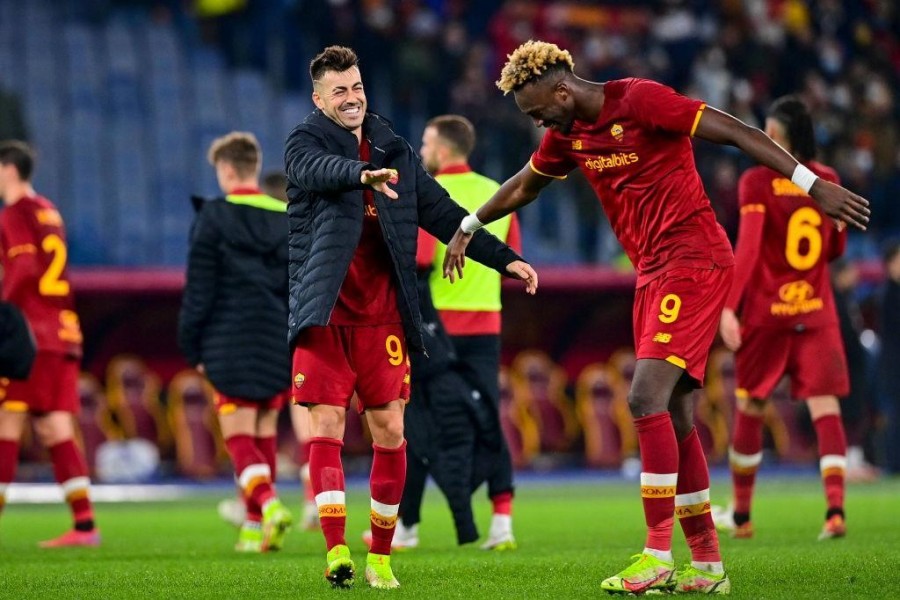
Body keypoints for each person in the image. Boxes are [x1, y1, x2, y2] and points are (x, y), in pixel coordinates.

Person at [442, 41, 869, 595]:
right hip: (652, 271)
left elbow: (737, 131)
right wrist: (470, 225)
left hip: (695, 258)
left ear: (563, 90)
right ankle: (710, 567)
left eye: (538, 110)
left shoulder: (641, 100)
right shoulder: (566, 136)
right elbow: (526, 184)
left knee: (644, 397)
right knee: (678, 414)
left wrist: (812, 185)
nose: (537, 122)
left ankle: (656, 555)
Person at [284, 45, 537, 589]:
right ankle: (335, 550)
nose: (351, 99)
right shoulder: (304, 142)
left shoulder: (395, 148)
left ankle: (380, 556)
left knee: (392, 430)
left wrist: (505, 258)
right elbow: (317, 171)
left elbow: (444, 213)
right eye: (339, 92)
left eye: (356, 88)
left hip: (382, 318)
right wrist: (361, 175)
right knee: (325, 424)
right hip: (324, 313)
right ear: (319, 99)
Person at [712, 96, 852, 542]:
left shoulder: (756, 180)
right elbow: (834, 251)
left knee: (752, 405)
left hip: (768, 314)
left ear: (778, 136)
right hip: (816, 311)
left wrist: (729, 307)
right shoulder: (828, 180)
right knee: (826, 408)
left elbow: (749, 250)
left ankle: (742, 516)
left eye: (768, 131)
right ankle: (834, 512)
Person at [178, 132, 293, 553]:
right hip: (277, 336)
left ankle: (268, 505)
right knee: (263, 429)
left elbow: (199, 289)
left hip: (228, 337)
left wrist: (192, 345)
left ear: (226, 170)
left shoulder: (213, 216)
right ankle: (252, 528)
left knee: (238, 435)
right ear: (254, 166)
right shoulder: (286, 216)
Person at [414, 114, 521, 550]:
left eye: (425, 144)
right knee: (487, 419)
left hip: (439, 329)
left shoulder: (431, 195)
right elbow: (511, 258)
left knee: (417, 421)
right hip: (486, 325)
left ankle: (405, 526)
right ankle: (502, 522)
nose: (421, 152)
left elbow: (420, 263)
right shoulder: (497, 192)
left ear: (441, 150)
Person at [0, 140, 100, 547]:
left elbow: (23, 266)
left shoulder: (15, 213)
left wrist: (3, 305)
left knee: (7, 420)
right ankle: (85, 525)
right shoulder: (49, 210)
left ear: (8, 169)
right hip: (63, 331)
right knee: (56, 427)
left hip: (31, 336)